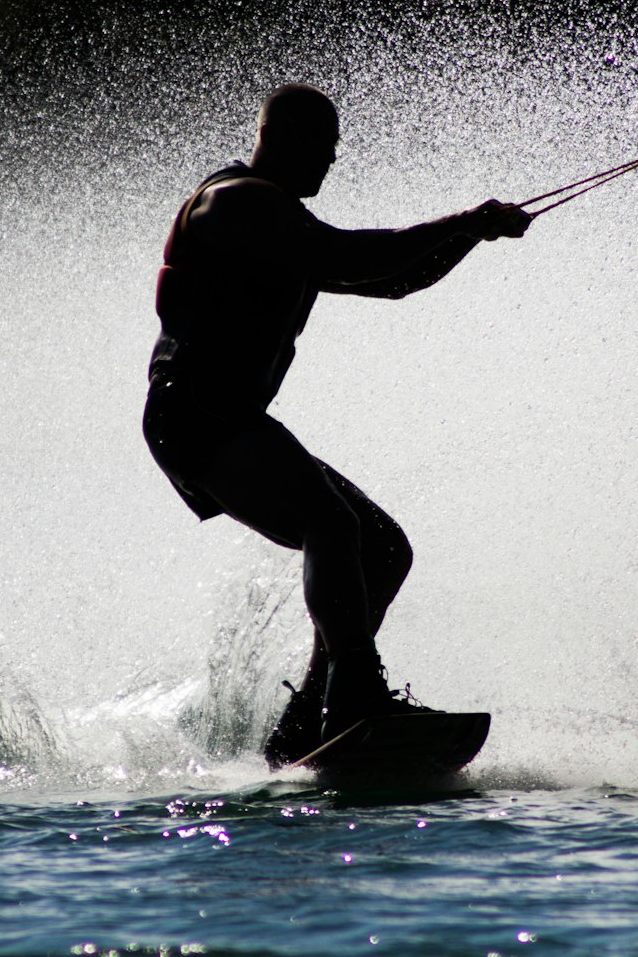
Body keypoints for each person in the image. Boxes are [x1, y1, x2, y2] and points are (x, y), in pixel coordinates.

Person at [143, 83, 531, 767]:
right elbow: (358, 257)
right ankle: (354, 694)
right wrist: (466, 218)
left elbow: (394, 280)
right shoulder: (235, 204)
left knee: (381, 548)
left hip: (228, 416)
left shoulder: (283, 224)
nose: (332, 161)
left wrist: (472, 235)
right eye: (324, 147)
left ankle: (307, 724)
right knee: (334, 524)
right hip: (194, 411)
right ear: (283, 137)